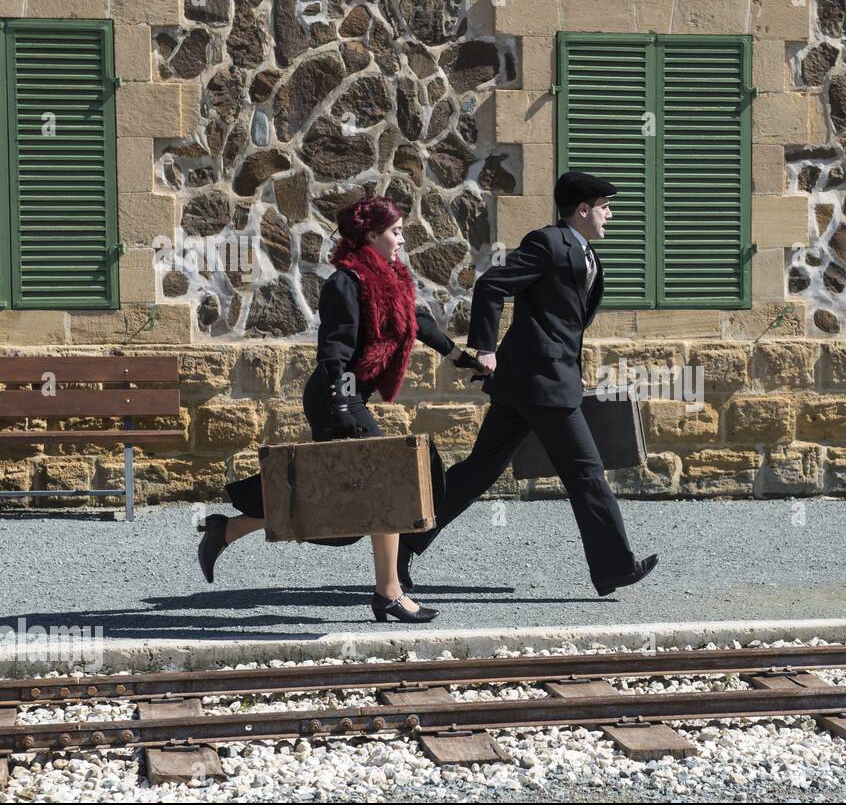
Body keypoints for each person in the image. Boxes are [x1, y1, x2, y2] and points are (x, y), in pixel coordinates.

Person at [196, 195, 487, 623]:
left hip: (351, 395)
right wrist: (346, 407)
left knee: (334, 494)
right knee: (389, 479)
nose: (403, 239)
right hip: (336, 394)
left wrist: (461, 358)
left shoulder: (393, 277)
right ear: (372, 235)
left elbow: (418, 323)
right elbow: (333, 353)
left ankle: (228, 529)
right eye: (396, 231)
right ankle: (388, 592)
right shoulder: (346, 282)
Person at [397, 171, 658, 598]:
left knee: (478, 471)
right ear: (583, 210)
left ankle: (404, 544)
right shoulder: (549, 243)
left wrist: (571, 368)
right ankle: (614, 567)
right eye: (606, 207)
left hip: (536, 382)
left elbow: (561, 324)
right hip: (541, 386)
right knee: (587, 474)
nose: (610, 214)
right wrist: (484, 348)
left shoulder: (586, 253)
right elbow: (491, 285)